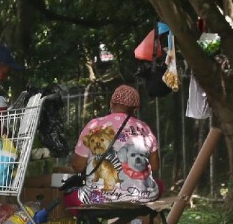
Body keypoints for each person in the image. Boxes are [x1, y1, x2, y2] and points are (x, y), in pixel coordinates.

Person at [63, 84, 164, 216]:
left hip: (99, 199)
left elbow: (77, 166)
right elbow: (155, 167)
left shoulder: (94, 125)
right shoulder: (144, 128)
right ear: (135, 109)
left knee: (68, 197)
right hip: (141, 198)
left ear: (111, 103)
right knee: (159, 185)